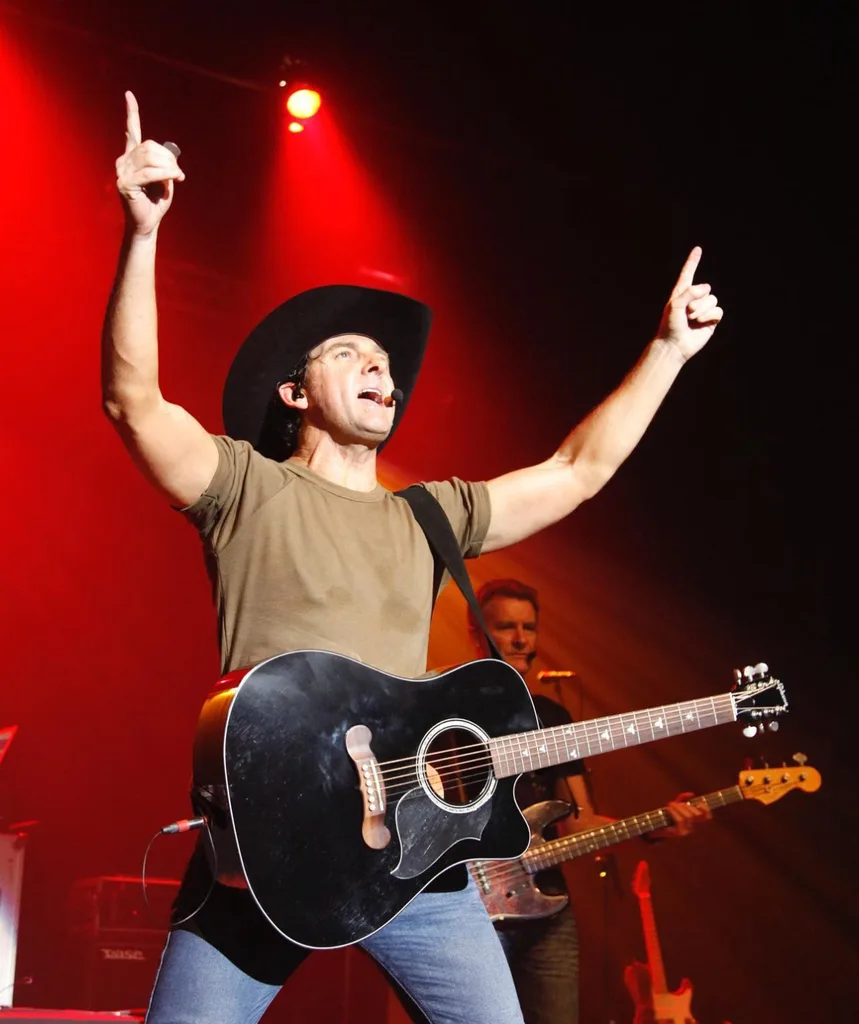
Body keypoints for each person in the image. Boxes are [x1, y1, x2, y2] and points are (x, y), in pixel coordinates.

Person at [101, 90, 723, 1024]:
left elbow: (577, 470)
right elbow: (133, 402)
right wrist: (144, 233)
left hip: (414, 857)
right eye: (350, 353)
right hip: (270, 843)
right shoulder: (244, 485)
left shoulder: (432, 515)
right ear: (293, 392)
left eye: (386, 364)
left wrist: (668, 352)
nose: (380, 368)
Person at [466, 578, 712, 1024]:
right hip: (468, 910)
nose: (521, 639)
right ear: (476, 631)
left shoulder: (553, 718)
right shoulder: (449, 710)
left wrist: (658, 825)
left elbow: (578, 823)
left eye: (529, 628)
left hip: (546, 909)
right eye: (506, 627)